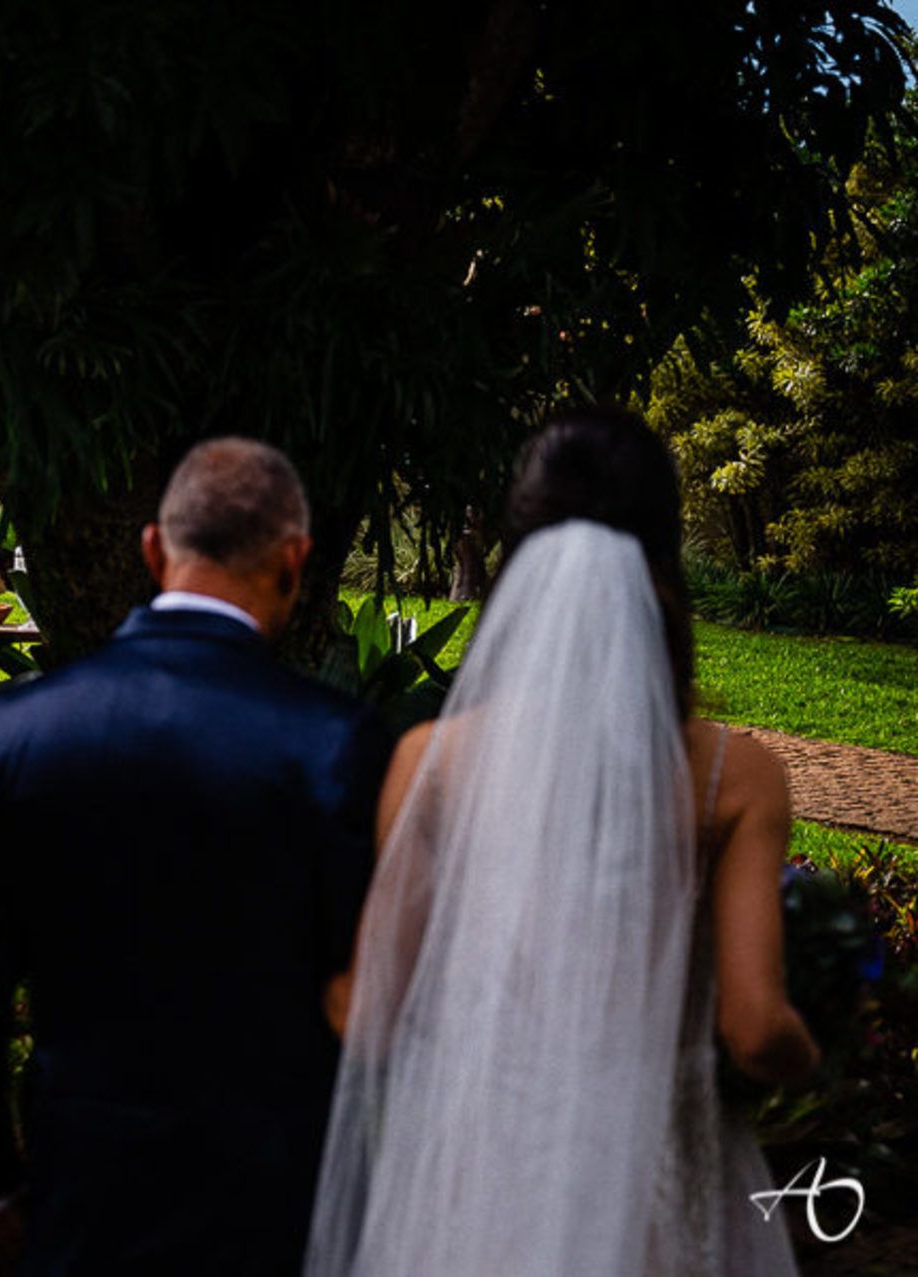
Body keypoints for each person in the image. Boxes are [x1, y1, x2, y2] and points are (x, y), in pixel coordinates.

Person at [305, 408, 819, 1277]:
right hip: (656, 1195)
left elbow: (372, 1014)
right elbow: (756, 1025)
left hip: (477, 1193)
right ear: (665, 558)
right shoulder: (735, 775)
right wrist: (819, 1058)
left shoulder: (430, 765)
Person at [0, 438, 389, 1276]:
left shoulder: (18, 734)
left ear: (152, 549)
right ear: (296, 560)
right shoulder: (336, 745)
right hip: (277, 1199)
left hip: (83, 1188)